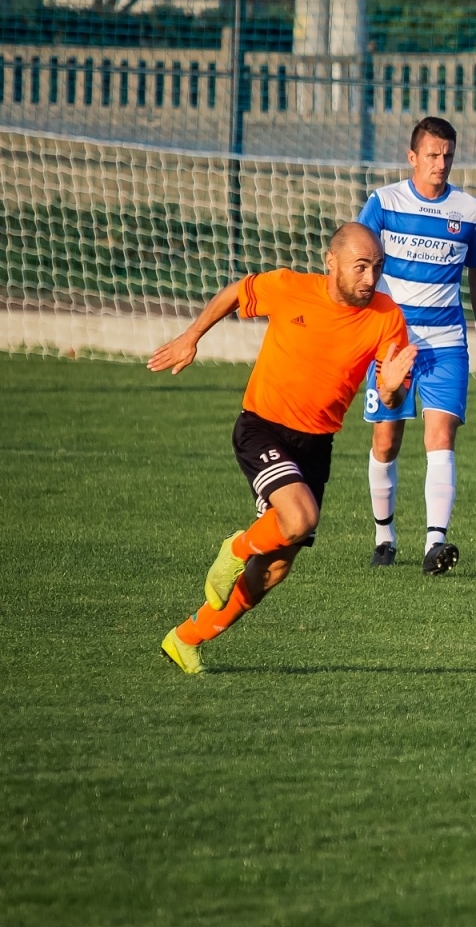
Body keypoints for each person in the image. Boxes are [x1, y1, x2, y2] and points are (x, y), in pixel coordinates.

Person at [149, 224, 415, 674]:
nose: (371, 278)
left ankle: (185, 638)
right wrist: (192, 335)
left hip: (315, 445)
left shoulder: (388, 317)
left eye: (378, 267)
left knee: (273, 570)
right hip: (262, 428)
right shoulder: (291, 288)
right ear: (331, 263)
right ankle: (235, 549)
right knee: (299, 518)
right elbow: (237, 292)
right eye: (361, 266)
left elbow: (392, 395)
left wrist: (390, 390)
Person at [358, 115, 476, 575]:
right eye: (433, 155)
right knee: (386, 441)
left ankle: (435, 544)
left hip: (446, 342)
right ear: (412, 157)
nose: (441, 163)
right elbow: (356, 259)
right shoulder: (383, 202)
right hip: (392, 342)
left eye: (448, 155)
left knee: (441, 437)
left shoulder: (470, 212)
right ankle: (384, 535)